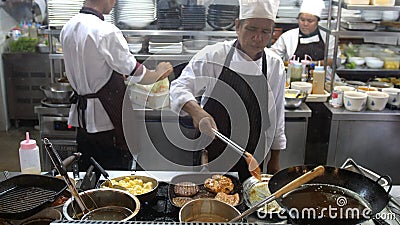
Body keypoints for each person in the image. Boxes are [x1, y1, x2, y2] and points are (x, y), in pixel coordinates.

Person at [170, 0, 286, 181]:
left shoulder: (274, 65)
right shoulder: (214, 55)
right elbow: (179, 87)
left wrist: (275, 161)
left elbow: (277, 116)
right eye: (251, 29)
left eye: (265, 32)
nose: (258, 38)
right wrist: (197, 112)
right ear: (238, 26)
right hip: (212, 152)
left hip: (254, 155)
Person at [60, 0, 173, 171]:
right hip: (105, 120)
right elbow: (138, 75)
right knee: (111, 176)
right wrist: (158, 72)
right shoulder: (105, 31)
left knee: (88, 174)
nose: (113, 3)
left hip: (82, 119)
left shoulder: (68, 27)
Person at [270, 0, 339, 66]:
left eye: (310, 21)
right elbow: (272, 55)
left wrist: (313, 64)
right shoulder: (288, 36)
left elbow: (335, 60)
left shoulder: (328, 38)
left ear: (317, 21)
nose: (305, 24)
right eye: (302, 20)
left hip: (321, 75)